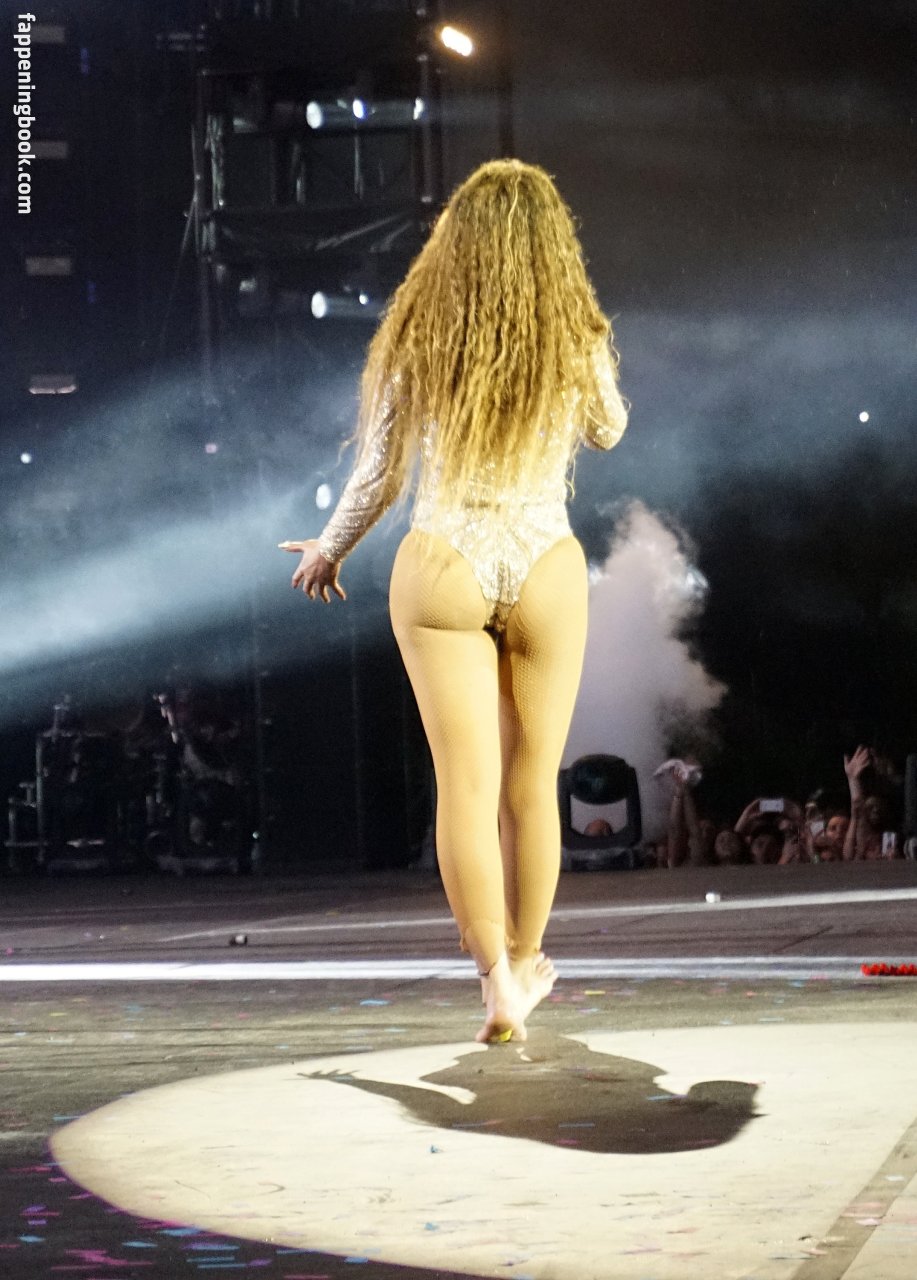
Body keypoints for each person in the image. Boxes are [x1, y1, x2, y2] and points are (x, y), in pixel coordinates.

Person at [279, 160, 629, 1043]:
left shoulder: (420, 333)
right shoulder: (571, 334)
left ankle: (494, 982)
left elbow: (379, 471)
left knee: (464, 787)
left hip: (444, 562)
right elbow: (607, 429)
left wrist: (329, 548)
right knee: (530, 785)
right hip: (543, 561)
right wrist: (588, 340)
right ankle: (527, 959)